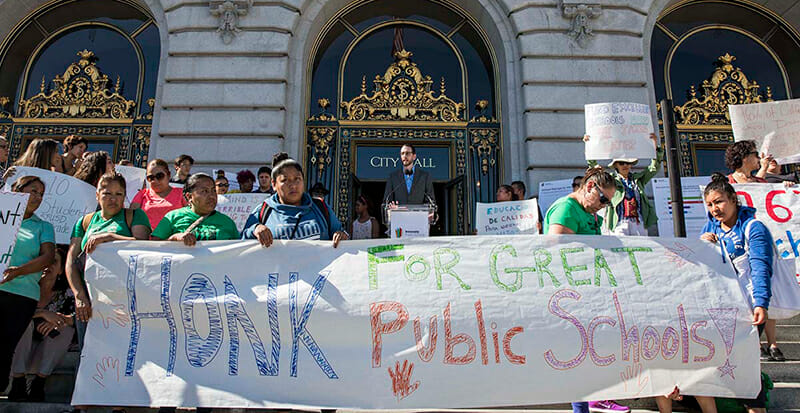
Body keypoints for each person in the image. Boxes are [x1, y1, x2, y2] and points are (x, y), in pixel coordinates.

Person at [544, 167, 630, 413]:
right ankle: (584, 406)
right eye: (603, 199)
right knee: (578, 354)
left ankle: (593, 399)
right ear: (590, 186)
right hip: (568, 296)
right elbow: (556, 249)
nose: (604, 205)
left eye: (609, 203)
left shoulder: (588, 212)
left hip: (588, 292)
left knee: (590, 351)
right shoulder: (567, 209)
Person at [695, 172, 774, 413]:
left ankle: (755, 407)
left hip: (749, 308)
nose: (714, 209)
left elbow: (761, 266)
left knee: (743, 361)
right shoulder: (709, 229)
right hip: (720, 308)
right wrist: (702, 246)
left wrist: (761, 303)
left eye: (719, 202)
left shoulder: (754, 228)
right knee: (733, 361)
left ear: (733, 199)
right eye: (709, 204)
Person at [66, 173, 151, 351]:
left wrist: (110, 237)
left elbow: (143, 246)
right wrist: (79, 296)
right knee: (88, 351)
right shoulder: (85, 222)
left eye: (119, 194)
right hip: (89, 300)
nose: (113, 199)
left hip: (123, 299)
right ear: (97, 195)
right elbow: (71, 261)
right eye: (107, 194)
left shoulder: (134, 215)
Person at [0, 176, 56, 395]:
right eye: (33, 191)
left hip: (22, 296)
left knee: (4, 349)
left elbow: (48, 256)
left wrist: (19, 272)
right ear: (17, 190)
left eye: (41, 194)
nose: (38, 197)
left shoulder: (43, 226)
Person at [7, 248, 75, 402]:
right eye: (44, 261)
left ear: (60, 270)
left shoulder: (68, 293)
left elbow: (78, 317)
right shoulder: (22, 288)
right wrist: (43, 314)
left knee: (65, 329)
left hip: (45, 354)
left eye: (54, 262)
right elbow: (10, 314)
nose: (48, 265)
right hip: (17, 353)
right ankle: (18, 382)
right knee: (22, 323)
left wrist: (59, 320)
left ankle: (39, 383)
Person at [242, 154, 348, 247]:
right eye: (285, 180)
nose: (293, 185)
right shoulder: (262, 211)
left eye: (297, 179)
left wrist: (341, 236)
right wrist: (255, 229)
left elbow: (341, 235)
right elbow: (241, 244)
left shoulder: (320, 207)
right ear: (274, 184)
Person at [585, 133, 662, 236]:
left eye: (628, 163)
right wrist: (589, 144)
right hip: (619, 222)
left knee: (641, 248)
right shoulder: (610, 179)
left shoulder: (638, 179)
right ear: (616, 165)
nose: (625, 166)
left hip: (638, 221)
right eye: (621, 163)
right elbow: (595, 167)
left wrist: (654, 146)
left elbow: (654, 167)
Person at [152, 173, 239, 243]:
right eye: (204, 191)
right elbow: (153, 249)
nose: (212, 196)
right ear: (189, 196)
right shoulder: (172, 217)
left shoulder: (227, 222)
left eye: (213, 190)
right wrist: (174, 238)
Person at [130, 159, 187, 229]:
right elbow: (131, 218)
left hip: (175, 237)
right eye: (150, 178)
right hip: (147, 238)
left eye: (159, 176)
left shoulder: (181, 193)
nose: (155, 181)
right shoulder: (142, 194)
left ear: (168, 175)